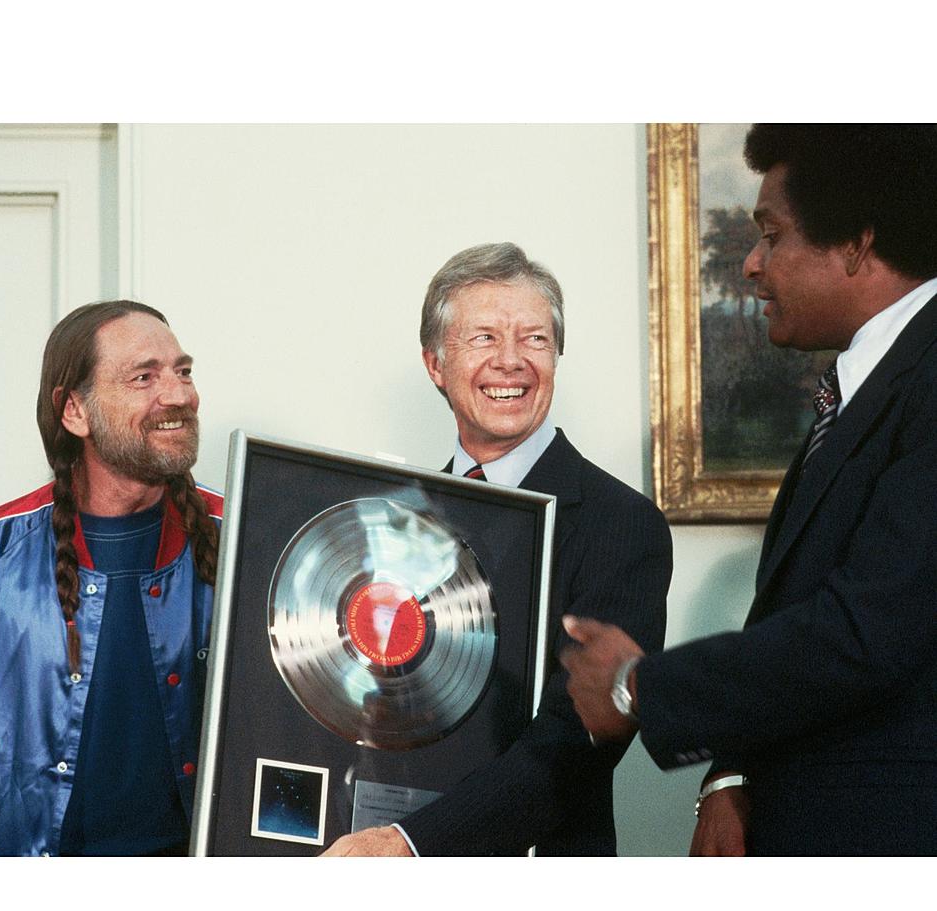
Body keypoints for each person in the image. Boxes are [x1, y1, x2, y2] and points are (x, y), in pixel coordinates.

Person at [561, 124, 937, 856]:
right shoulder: (869, 388)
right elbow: (797, 617)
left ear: (856, 244)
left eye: (771, 235)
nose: (752, 264)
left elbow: (865, 634)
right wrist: (730, 775)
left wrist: (637, 687)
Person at [323, 242, 672, 855]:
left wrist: (413, 844)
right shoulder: (393, 522)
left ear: (555, 357)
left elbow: (581, 737)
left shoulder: (623, 524)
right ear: (435, 364)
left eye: (534, 339)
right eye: (484, 338)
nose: (511, 361)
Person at [0, 300, 222, 856]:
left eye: (183, 371)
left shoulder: (242, 536)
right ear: (75, 411)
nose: (178, 394)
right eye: (144, 377)